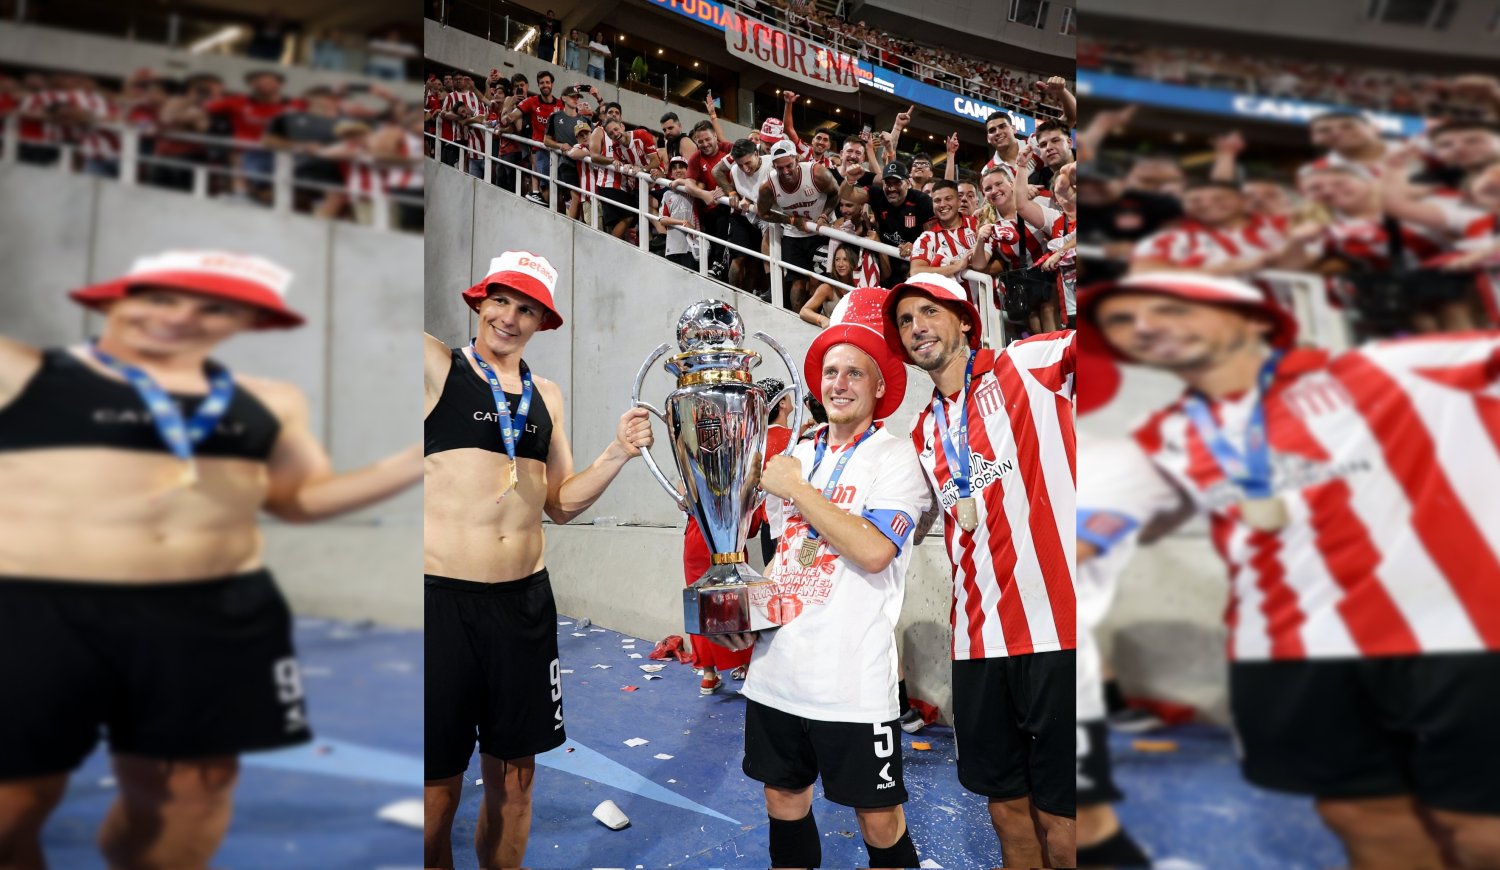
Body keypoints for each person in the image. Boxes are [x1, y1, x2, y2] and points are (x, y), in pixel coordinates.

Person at [0, 251, 422, 869]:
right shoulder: (22, 372)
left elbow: (299, 499)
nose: (182, 317)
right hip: (44, 614)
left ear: (245, 322)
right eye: (161, 298)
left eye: (215, 308)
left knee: (190, 796)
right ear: (114, 299)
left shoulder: (268, 399)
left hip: (214, 615)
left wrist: (415, 459)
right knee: (13, 804)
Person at [1078, 271, 1500, 870]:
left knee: (1482, 830)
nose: (1144, 326)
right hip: (1288, 649)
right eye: (1122, 320)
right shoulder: (1163, 433)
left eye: (1172, 309)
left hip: (1451, 637)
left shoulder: (1390, 369)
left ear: (1255, 318)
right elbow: (1102, 525)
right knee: (1363, 818)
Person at [423, 252, 654, 869]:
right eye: (500, 300)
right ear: (478, 302)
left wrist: (616, 453)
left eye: (526, 309)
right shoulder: (438, 368)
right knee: (434, 792)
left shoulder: (544, 394)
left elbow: (560, 502)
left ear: (542, 323)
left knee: (516, 784)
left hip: (523, 606)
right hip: (439, 603)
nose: (509, 317)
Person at [719, 286, 933, 870]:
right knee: (783, 799)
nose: (839, 384)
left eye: (854, 373)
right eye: (831, 372)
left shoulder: (895, 457)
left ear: (880, 386)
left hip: (852, 681)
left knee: (879, 819)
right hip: (777, 671)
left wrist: (798, 489)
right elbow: (784, 556)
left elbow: (873, 551)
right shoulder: (798, 452)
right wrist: (746, 608)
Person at [883, 274, 1078, 868]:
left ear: (965, 320)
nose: (916, 327)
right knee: (1007, 813)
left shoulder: (1028, 365)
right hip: (977, 641)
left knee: (1067, 822)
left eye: (929, 312)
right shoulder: (922, 431)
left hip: (1060, 632)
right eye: (905, 321)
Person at [757, 139, 840, 311]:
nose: (785, 171)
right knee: (797, 286)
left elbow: (835, 193)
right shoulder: (768, 186)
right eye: (780, 168)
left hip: (821, 233)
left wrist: (824, 216)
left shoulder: (816, 173)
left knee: (818, 283)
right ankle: (798, 319)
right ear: (773, 166)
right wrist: (792, 220)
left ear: (797, 159)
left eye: (789, 165)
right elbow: (763, 213)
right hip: (794, 234)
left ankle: (814, 319)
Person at [589, 117, 660, 239]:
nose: (615, 133)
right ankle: (609, 245)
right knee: (628, 217)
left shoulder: (638, 136)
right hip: (609, 183)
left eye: (616, 129)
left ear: (622, 126)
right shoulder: (603, 135)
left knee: (633, 217)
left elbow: (656, 161)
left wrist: (639, 169)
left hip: (626, 186)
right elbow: (593, 156)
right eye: (611, 133)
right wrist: (612, 160)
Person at [799, 243, 858, 327]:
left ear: (853, 261)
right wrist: (822, 319)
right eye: (837, 260)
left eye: (845, 259)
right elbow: (804, 311)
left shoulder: (860, 285)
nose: (840, 264)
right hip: (829, 331)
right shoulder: (827, 287)